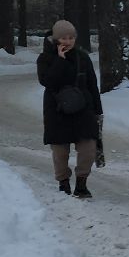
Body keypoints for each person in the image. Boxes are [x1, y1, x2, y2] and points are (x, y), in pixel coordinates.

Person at [38, 19, 104, 198]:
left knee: (88, 149)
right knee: (60, 152)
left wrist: (98, 111)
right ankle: (63, 183)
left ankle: (81, 184)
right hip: (56, 111)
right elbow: (47, 81)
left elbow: (92, 85)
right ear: (56, 39)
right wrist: (60, 61)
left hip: (83, 110)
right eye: (63, 38)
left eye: (71, 37)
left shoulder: (82, 57)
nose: (68, 41)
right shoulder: (45, 58)